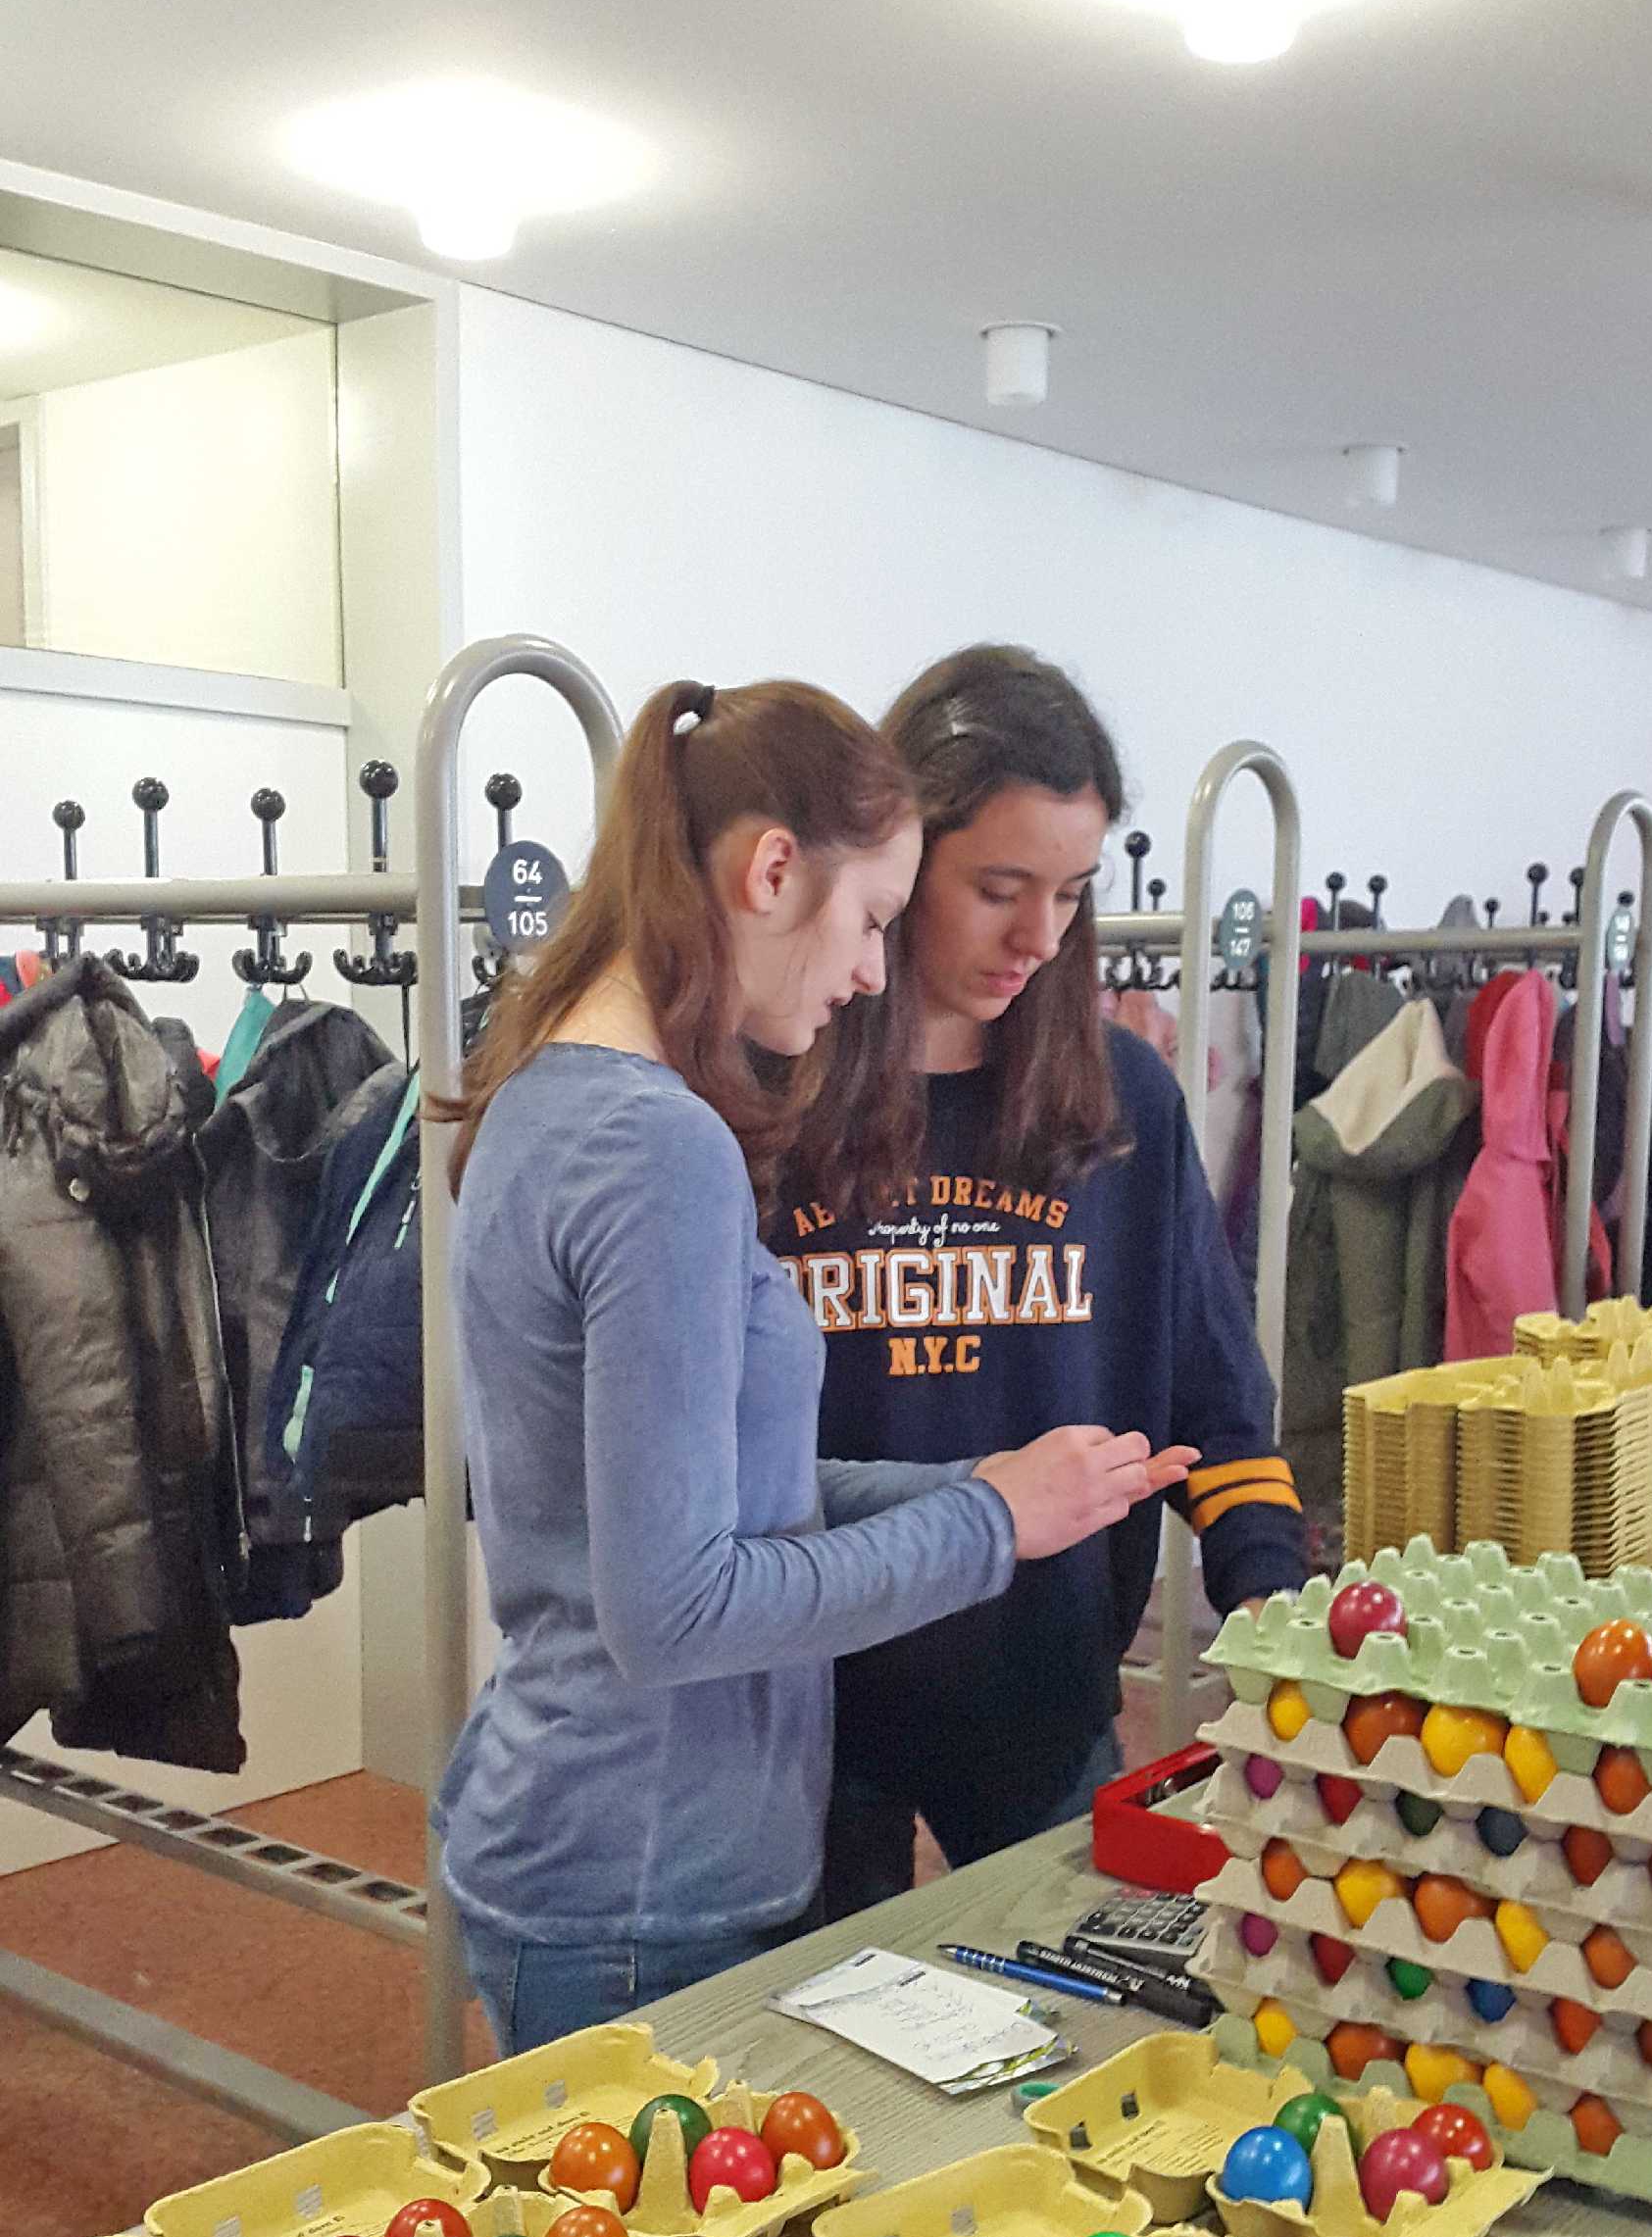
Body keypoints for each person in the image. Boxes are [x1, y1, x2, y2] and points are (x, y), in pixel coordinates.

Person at [433, 674, 1192, 2051]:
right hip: (646, 1884)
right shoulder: (658, 1147)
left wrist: (982, 1487)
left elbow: (728, 1496)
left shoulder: (560, 1094)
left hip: (610, 1847)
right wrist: (986, 1524)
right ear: (773, 873)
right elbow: (677, 1609)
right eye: (872, 920)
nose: (868, 975)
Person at [775, 644, 1309, 1916]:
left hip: (1042, 1688)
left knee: (1076, 2011)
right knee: (805, 2033)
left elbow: (1213, 1401)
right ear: (900, 858)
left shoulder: (1124, 1101)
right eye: (1000, 889)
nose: (1041, 937)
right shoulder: (771, 1092)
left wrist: (1281, 1613)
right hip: (802, 1697)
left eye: (1071, 893)